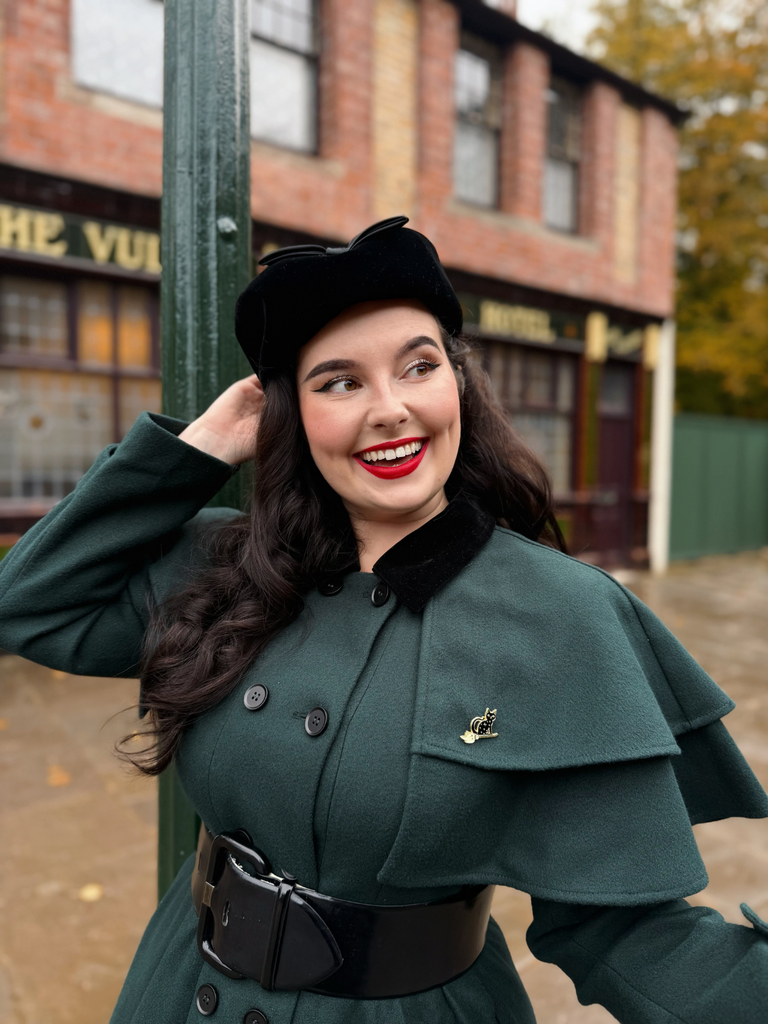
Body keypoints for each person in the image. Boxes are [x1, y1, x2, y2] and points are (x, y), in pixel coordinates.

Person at [0, 216, 766, 1024]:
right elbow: (29, 603)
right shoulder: (224, 566)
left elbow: (627, 932)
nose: (390, 409)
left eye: (419, 367)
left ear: (459, 384)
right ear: (291, 414)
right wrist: (199, 449)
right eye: (339, 382)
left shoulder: (564, 615)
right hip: (180, 993)